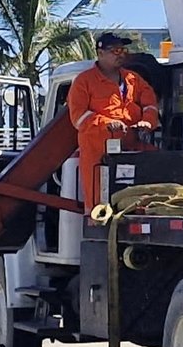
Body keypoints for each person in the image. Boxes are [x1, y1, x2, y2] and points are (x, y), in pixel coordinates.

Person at [66, 32, 159, 212]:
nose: (121, 54)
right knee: (100, 207)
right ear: (100, 54)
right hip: (99, 156)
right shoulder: (83, 82)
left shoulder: (133, 79)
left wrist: (147, 122)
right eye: (115, 50)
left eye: (122, 49)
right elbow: (78, 117)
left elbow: (150, 105)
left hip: (132, 150)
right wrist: (107, 123)